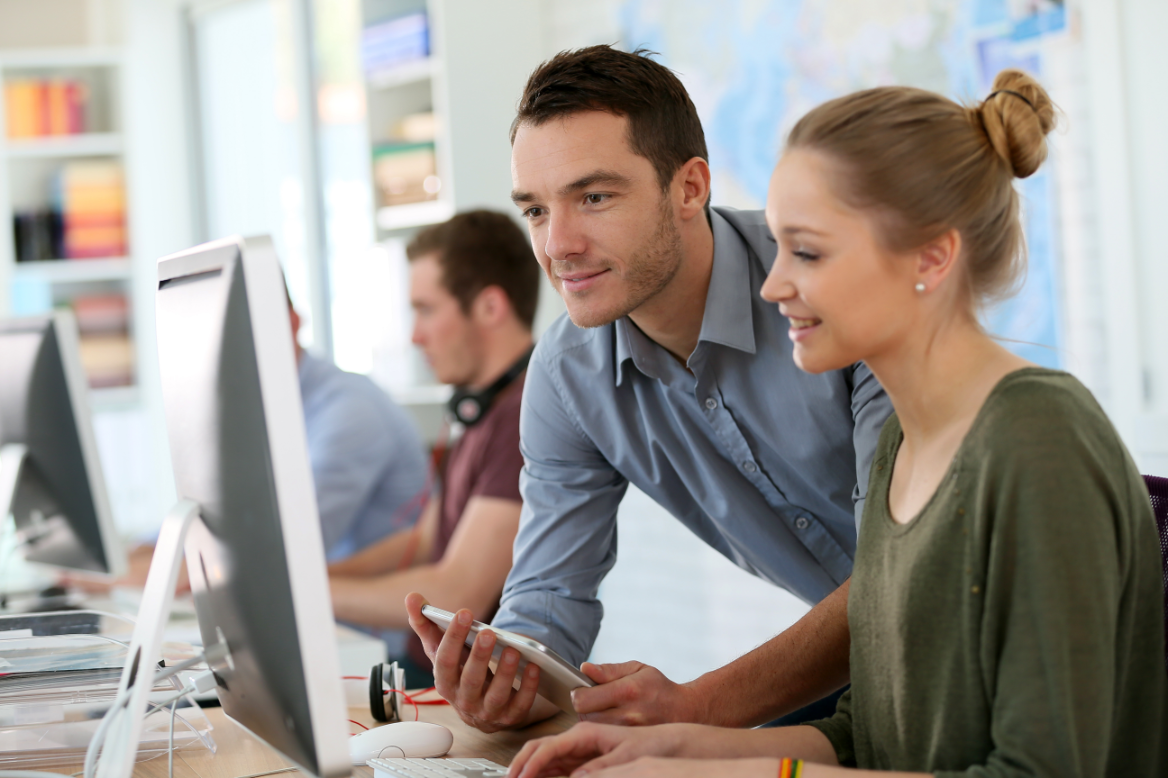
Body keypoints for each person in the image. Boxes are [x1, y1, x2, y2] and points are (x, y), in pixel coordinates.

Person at [504, 70, 1168, 778]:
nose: (770, 283)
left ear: (931, 257)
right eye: (780, 246)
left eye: (808, 252)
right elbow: (873, 731)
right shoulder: (899, 458)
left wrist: (746, 764)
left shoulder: (1038, 438)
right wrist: (665, 749)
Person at [405, 44, 893, 732]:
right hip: (875, 665)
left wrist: (698, 707)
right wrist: (509, 671)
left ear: (690, 188)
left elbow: (902, 571)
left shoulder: (827, 288)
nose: (558, 245)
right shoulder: (567, 377)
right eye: (536, 211)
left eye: (594, 197)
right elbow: (549, 595)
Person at [85, 289, 428, 590]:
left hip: (371, 637)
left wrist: (131, 575)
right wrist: (133, 555)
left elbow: (280, 546)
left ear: (293, 323)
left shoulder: (351, 411)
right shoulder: (263, 405)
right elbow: (221, 515)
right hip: (307, 612)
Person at [329, 210, 539, 687]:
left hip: (462, 690)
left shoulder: (525, 417)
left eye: (425, 309)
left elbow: (455, 592)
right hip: (421, 669)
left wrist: (303, 592)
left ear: (490, 307)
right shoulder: (480, 408)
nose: (414, 334)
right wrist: (319, 574)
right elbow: (423, 539)